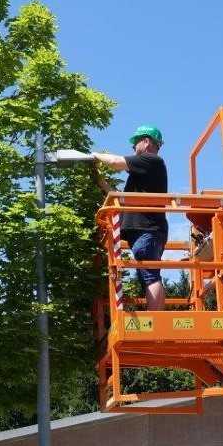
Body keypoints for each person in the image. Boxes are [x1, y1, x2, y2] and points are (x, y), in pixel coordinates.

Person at [91, 125, 169, 310]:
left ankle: (156, 320)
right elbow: (121, 200)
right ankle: (155, 317)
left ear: (146, 141)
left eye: (135, 143)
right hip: (145, 231)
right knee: (147, 275)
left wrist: (94, 155)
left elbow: (116, 162)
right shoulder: (143, 175)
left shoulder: (152, 160)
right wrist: (100, 181)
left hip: (147, 230)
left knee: (150, 275)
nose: (133, 148)